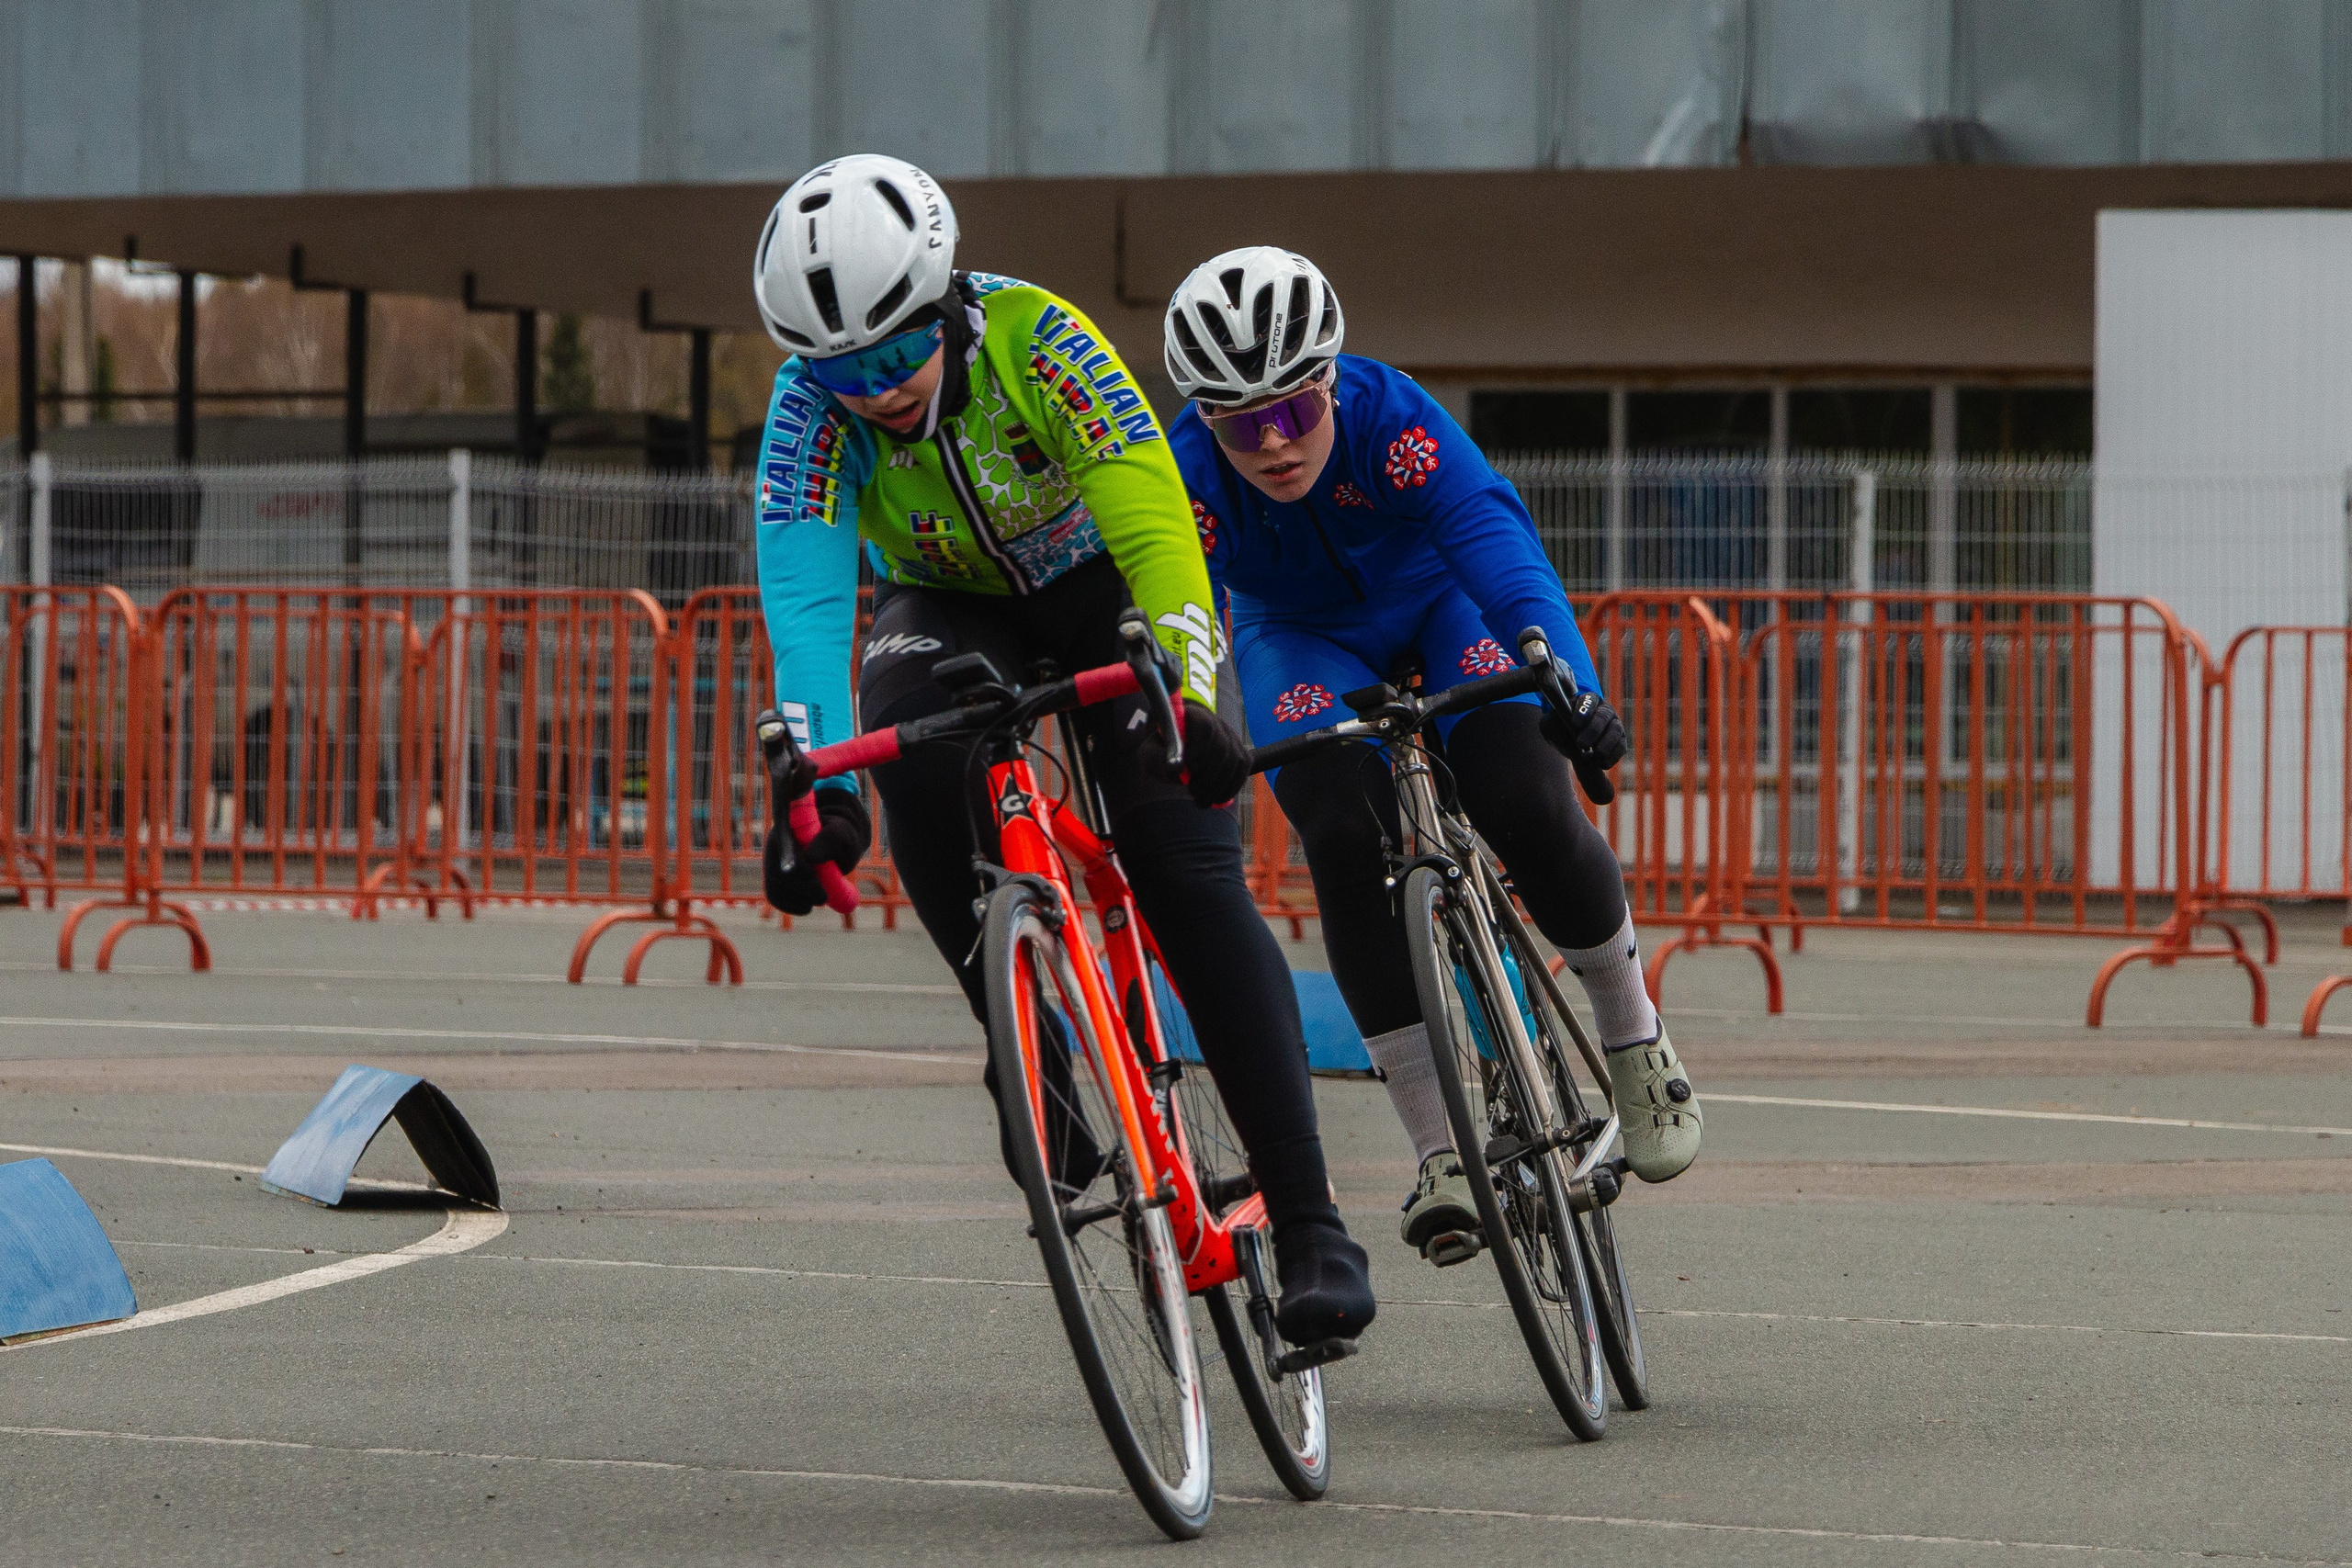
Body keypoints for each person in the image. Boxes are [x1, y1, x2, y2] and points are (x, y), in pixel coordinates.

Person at [750, 158, 1372, 1343]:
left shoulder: (1043, 340)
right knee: (907, 747)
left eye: (895, 356)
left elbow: (1149, 517)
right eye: (842, 373)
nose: (874, 392)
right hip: (947, 606)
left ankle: (1308, 1220)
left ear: (941, 304)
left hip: (1103, 587)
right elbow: (811, 609)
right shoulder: (807, 417)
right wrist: (813, 786)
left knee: (1185, 868)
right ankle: (1019, 1036)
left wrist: (1190, 695)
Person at [1160, 246, 1702, 1263]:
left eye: (1294, 411)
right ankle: (1440, 1151)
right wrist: (1184, 718)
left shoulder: (1391, 418)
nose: (1274, 444)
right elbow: (1176, 608)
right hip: (1299, 638)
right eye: (1241, 424)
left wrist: (1572, 689)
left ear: (1329, 381)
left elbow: (1495, 546)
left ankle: (1634, 1040)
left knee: (1525, 795)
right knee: (1336, 833)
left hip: (1441, 603)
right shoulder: (1182, 476)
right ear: (1205, 420)